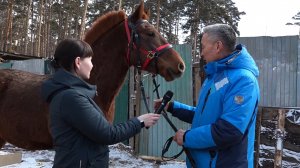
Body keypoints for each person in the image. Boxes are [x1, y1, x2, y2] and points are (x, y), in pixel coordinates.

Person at [41, 39, 160, 168]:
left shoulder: (70, 94)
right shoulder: (71, 97)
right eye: (90, 60)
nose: (92, 65)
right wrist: (140, 121)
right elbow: (108, 134)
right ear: (78, 62)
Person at [154, 24, 260, 168]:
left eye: (203, 47)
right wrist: (172, 107)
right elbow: (204, 116)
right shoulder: (214, 77)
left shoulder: (244, 80)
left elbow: (229, 130)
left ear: (217, 46)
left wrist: (186, 137)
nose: (201, 54)